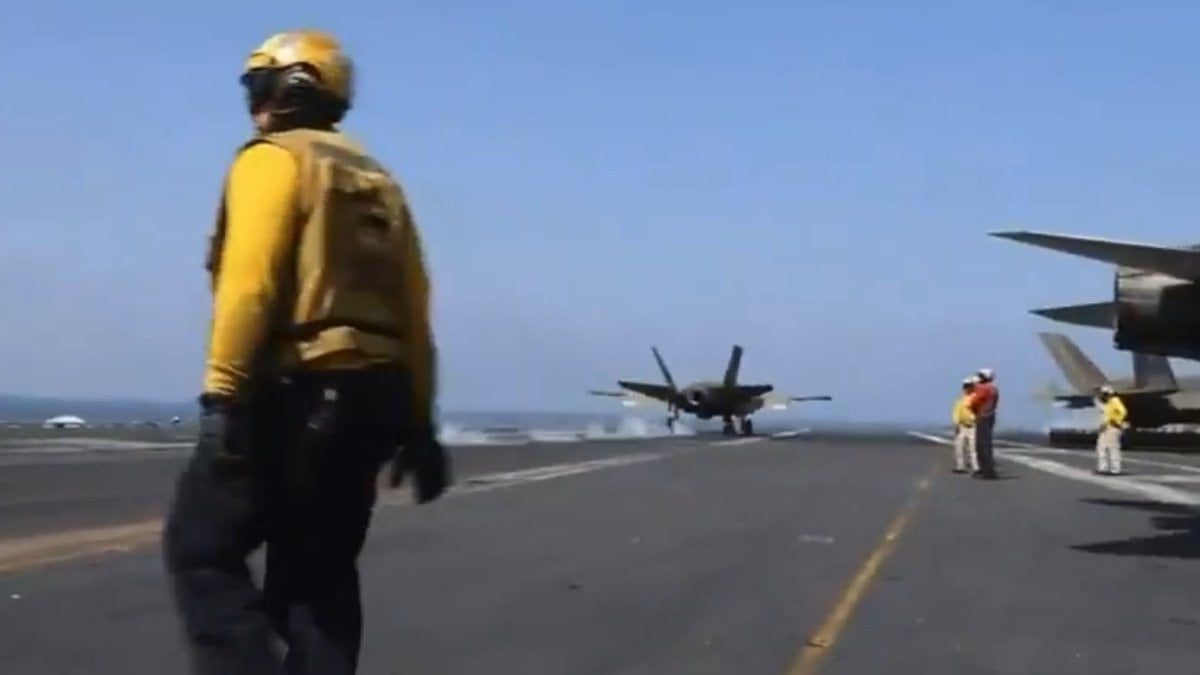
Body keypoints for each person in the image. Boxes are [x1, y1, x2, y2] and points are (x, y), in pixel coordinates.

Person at [161, 29, 451, 675]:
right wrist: (420, 422)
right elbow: (415, 309)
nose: (252, 100)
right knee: (319, 578)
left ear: (288, 85)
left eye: (257, 83)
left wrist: (222, 397)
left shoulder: (275, 160)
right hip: (376, 394)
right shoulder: (377, 180)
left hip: (300, 388)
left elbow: (250, 286)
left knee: (202, 548)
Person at [967, 367, 999, 479]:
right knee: (986, 444)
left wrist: (974, 409)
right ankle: (987, 469)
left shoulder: (983, 388)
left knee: (981, 445)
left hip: (983, 416)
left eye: (980, 376)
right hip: (990, 415)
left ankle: (987, 471)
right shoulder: (993, 389)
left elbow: (974, 402)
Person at [1095, 384, 1128, 475]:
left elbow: (1123, 412)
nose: (1101, 395)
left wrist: (1116, 420)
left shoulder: (1115, 401)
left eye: (1103, 394)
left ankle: (1115, 469)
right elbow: (1105, 416)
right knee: (1101, 448)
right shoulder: (1106, 403)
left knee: (1113, 448)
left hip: (1113, 427)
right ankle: (1103, 468)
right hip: (1105, 427)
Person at [951, 376, 978, 474]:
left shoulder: (975, 397)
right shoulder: (960, 398)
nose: (967, 388)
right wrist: (956, 422)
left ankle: (976, 467)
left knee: (973, 448)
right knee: (959, 447)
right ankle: (960, 466)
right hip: (961, 426)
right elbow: (956, 411)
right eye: (965, 386)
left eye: (969, 385)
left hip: (973, 426)